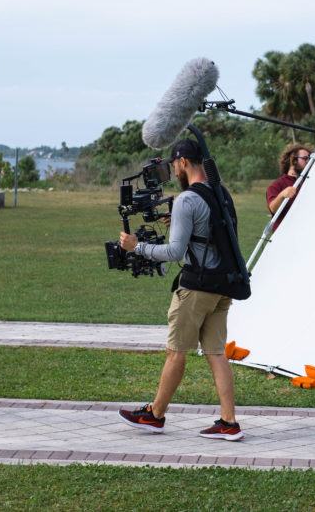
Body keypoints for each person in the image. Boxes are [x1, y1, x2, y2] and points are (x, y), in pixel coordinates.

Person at [117, 139, 244, 441]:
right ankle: (229, 422)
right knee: (216, 354)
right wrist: (177, 222)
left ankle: (155, 415)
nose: (173, 170)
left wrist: (138, 247)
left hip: (196, 289)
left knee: (176, 353)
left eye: (173, 164)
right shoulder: (219, 192)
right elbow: (209, 231)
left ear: (184, 162)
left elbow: (175, 252)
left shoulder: (188, 199)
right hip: (223, 287)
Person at [266, 143, 312, 231]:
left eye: (310, 159)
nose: (308, 161)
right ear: (292, 160)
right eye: (305, 158)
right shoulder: (277, 185)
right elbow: (273, 209)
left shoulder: (308, 182)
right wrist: (282, 195)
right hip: (285, 235)